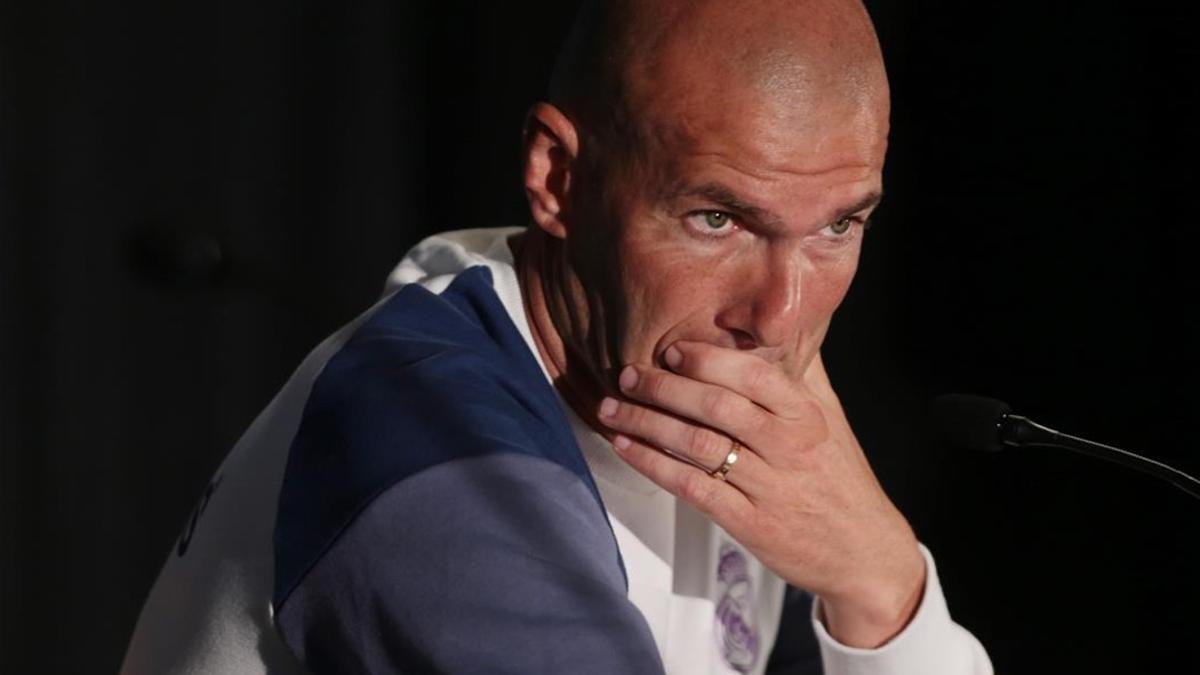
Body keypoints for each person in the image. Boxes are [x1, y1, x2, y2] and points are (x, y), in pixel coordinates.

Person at [122, 0, 993, 673]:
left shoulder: (715, 421)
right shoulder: (439, 455)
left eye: (838, 227)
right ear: (559, 178)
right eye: (718, 217)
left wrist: (881, 585)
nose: (778, 315)